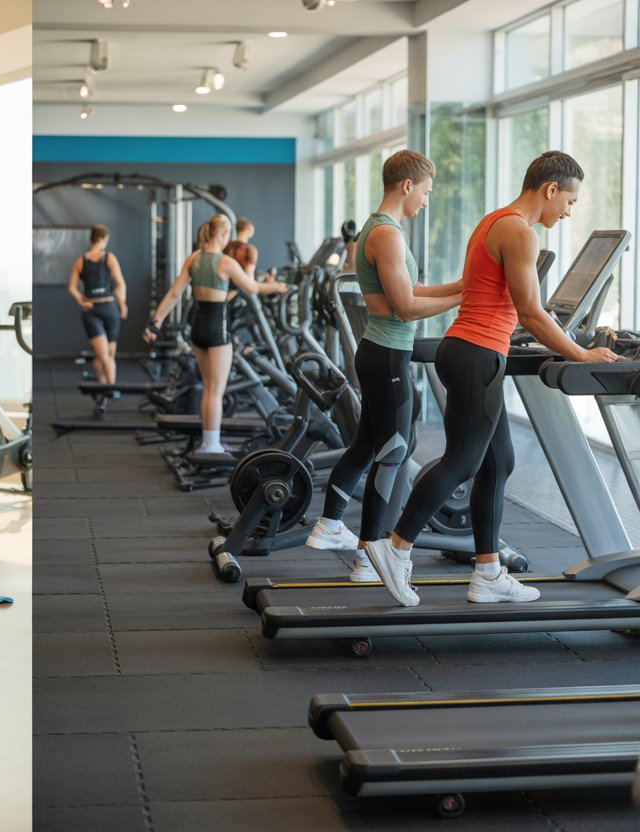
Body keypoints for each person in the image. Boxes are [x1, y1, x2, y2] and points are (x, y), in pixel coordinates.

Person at [364, 151, 621, 607]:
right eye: (569, 200)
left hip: (471, 350)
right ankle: (395, 546)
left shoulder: (494, 221)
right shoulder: (518, 231)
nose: (568, 211)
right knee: (461, 461)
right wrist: (581, 352)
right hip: (476, 355)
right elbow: (531, 312)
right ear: (549, 189)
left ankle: (487, 572)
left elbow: (502, 303)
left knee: (498, 462)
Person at [305, 151, 462, 581]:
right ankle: (368, 553)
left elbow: (412, 288)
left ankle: (332, 524)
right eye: (426, 193)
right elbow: (409, 308)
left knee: (368, 446)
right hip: (388, 355)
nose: (425, 203)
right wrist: (468, 298)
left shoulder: (380, 229)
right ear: (407, 185)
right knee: (393, 452)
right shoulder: (387, 236)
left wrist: (466, 283)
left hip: (380, 353)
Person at [144, 213, 288, 454]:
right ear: (222, 234)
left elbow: (173, 294)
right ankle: (210, 445)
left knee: (208, 387)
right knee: (215, 390)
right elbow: (252, 288)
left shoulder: (194, 259)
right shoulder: (225, 262)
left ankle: (208, 440)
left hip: (197, 328)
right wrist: (277, 287)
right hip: (217, 330)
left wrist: (155, 322)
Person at [68, 225, 128, 395]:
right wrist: (82, 302)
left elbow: (120, 284)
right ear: (104, 238)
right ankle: (110, 390)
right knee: (104, 356)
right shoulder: (81, 261)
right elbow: (72, 288)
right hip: (92, 312)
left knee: (107, 355)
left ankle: (103, 389)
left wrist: (122, 304)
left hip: (109, 309)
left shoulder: (109, 258)